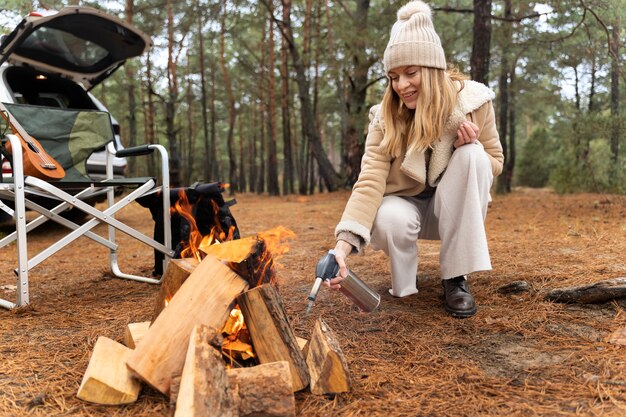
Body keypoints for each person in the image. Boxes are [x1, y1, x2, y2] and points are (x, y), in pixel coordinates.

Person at [325, 0, 504, 318]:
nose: (402, 85)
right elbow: (369, 181)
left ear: (433, 70)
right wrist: (341, 246)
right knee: (391, 215)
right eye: (393, 77)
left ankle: (455, 279)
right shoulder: (384, 118)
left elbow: (495, 162)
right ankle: (403, 287)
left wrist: (468, 146)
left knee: (473, 155)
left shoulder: (474, 102)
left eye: (411, 73)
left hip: (451, 208)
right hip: (404, 210)